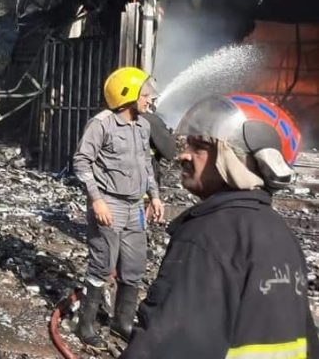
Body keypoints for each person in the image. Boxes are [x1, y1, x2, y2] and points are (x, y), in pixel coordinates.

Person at [122, 93, 319, 358]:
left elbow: (165, 346)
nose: (183, 155)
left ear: (235, 160)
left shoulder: (207, 236)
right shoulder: (282, 235)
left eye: (200, 147)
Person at [72, 66, 164, 348]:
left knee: (134, 267)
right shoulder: (101, 124)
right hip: (109, 204)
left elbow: (146, 164)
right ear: (127, 96)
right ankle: (85, 326)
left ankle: (121, 322)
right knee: (102, 265)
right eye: (145, 95)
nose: (149, 99)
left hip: (135, 206)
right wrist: (96, 200)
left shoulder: (144, 126)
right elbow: (81, 162)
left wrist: (154, 196)